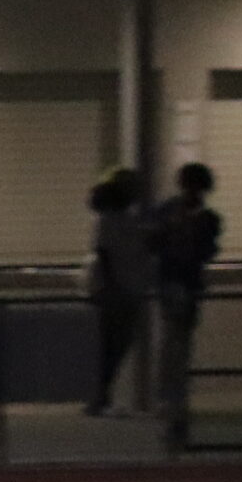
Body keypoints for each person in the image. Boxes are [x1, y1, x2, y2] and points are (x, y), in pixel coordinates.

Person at [150, 163, 222, 446]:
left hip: (181, 285)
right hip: (177, 284)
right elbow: (155, 243)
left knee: (176, 347)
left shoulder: (200, 218)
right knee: (175, 347)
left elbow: (205, 250)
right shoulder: (180, 214)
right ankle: (172, 407)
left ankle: (173, 406)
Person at [86, 167, 152, 416]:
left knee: (116, 344)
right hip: (120, 290)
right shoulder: (113, 221)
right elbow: (105, 254)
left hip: (124, 288)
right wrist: (113, 286)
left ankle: (103, 395)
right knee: (115, 344)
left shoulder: (121, 220)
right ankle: (102, 395)